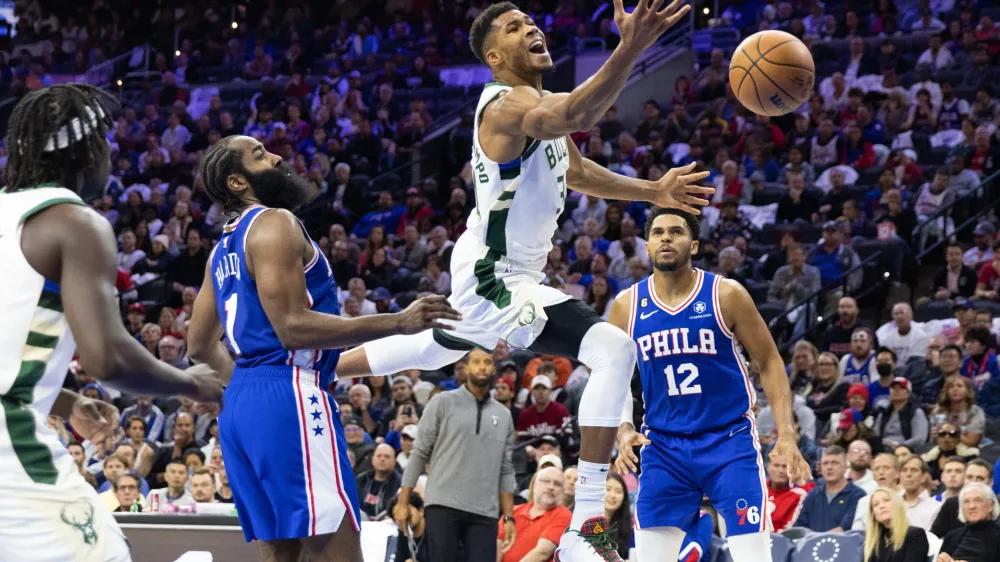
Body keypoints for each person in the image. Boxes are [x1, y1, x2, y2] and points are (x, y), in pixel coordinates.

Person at [337, 3, 709, 560]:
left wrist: (653, 192)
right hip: (495, 276)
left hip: (492, 267)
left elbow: (576, 169)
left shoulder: (536, 108)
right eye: (514, 28)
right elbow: (573, 116)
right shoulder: (509, 105)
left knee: (437, 343)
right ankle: (588, 516)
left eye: (531, 22)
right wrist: (630, 47)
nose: (531, 28)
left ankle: (315, 365)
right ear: (494, 57)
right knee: (613, 349)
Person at [187, 136, 462, 561]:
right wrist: (398, 322)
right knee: (338, 548)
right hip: (291, 392)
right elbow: (293, 327)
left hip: (243, 404)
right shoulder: (274, 221)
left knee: (282, 553)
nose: (277, 157)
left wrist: (240, 387)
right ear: (238, 182)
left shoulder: (220, 249)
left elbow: (199, 344)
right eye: (260, 155)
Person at [0, 84, 224, 562]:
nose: (110, 154)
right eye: (105, 141)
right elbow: (106, 357)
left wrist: (64, 399)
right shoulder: (74, 222)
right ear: (85, 150)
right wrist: (192, 381)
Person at [612, 208, 810, 561]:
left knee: (753, 557)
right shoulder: (626, 306)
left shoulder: (725, 294)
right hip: (663, 445)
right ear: (647, 245)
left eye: (676, 231)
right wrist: (624, 427)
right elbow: (613, 377)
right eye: (658, 232)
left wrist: (787, 434)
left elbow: (769, 361)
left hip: (728, 441)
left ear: (694, 244)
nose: (666, 238)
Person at [391, 348, 516, 562]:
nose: (482, 366)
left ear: (494, 367)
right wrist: (402, 502)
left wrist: (509, 516)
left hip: (485, 510)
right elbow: (419, 453)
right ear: (466, 367)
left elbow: (505, 469)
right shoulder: (442, 402)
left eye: (487, 362)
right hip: (442, 505)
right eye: (476, 362)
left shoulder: (504, 415)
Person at [497, 466, 573, 562]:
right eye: (546, 481)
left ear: (562, 491)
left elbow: (542, 552)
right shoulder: (512, 512)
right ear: (534, 485)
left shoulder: (564, 515)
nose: (551, 487)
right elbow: (497, 547)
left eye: (557, 484)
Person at [796, 446, 866, 532]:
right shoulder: (813, 494)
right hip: (811, 543)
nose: (829, 467)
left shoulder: (858, 495)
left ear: (845, 467)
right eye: (825, 463)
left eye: (835, 463)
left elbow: (846, 528)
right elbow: (801, 527)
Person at [931, 459, 995, 538]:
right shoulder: (952, 504)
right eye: (969, 477)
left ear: (990, 483)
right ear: (964, 480)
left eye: (980, 478)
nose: (973, 482)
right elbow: (933, 537)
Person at [937, 483, 1000, 562]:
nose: (972, 506)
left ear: (991, 506)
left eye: (978, 500)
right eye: (966, 501)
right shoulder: (952, 536)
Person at [863, 487, 930, 562]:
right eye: (876, 504)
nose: (881, 506)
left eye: (886, 500)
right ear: (873, 514)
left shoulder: (915, 535)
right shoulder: (872, 543)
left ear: (897, 504)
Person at [873, 378, 929, 451]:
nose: (896, 390)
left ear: (908, 393)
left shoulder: (916, 412)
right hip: (883, 448)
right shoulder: (884, 412)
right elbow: (875, 434)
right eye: (893, 387)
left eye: (901, 388)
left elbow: (919, 439)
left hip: (907, 450)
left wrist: (899, 446)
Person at [767, 454, 814, 532]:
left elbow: (789, 530)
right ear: (768, 467)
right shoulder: (757, 489)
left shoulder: (799, 494)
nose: (781, 470)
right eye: (776, 465)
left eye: (785, 467)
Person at [355, 443, 401, 519]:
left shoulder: (400, 483)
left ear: (394, 461)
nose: (382, 459)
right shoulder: (360, 480)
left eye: (387, 456)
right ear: (373, 459)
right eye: (379, 456)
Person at [897, 457, 942, 530]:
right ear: (899, 475)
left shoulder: (936, 507)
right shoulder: (891, 504)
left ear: (924, 476)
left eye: (914, 470)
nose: (908, 474)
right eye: (904, 470)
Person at [391, 492, 430, 562]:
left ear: (421, 511)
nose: (403, 517)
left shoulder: (436, 532)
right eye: (397, 515)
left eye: (407, 511)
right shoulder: (403, 533)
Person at [602, 473, 633, 560]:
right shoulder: (586, 524)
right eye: (608, 489)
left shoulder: (627, 530)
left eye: (618, 491)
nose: (613, 495)